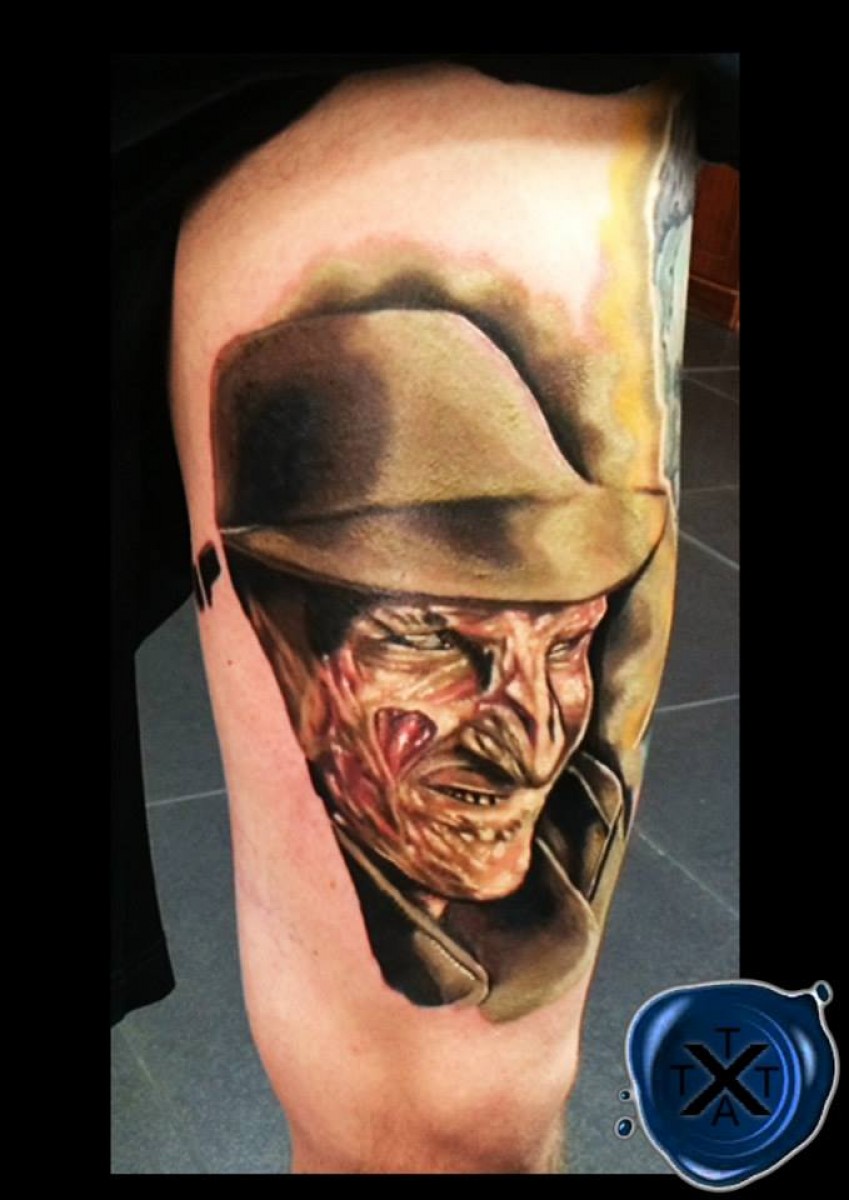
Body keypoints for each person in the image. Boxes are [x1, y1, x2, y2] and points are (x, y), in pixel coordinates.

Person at [213, 304, 669, 1022]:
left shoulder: (581, 826)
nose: (537, 749)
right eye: (435, 642)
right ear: (267, 626)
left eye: (565, 645)